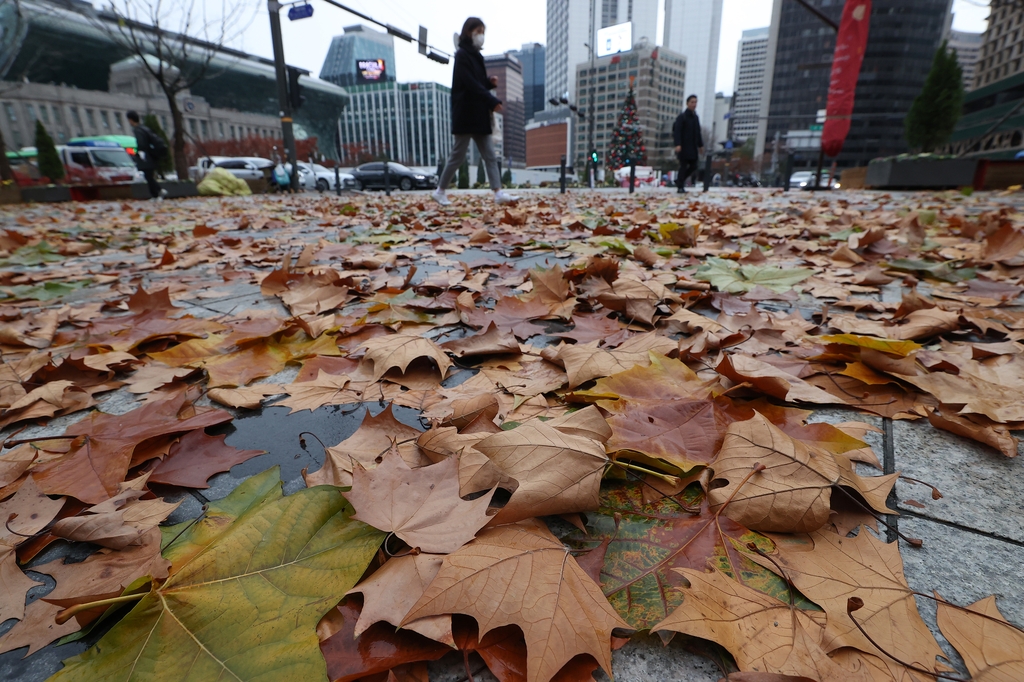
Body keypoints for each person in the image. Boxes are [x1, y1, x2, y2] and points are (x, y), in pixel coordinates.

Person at [432, 17, 517, 206]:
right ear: (469, 32)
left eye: (483, 32)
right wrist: (492, 100)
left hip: (478, 115)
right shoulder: (462, 55)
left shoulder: (476, 56)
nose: (481, 36)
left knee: (490, 155)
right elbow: (469, 84)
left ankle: (498, 193)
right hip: (466, 114)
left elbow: (476, 83)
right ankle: (440, 190)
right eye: (478, 32)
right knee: (457, 156)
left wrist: (488, 83)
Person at [126, 111, 168, 199]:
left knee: (148, 176)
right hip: (152, 155)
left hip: (145, 156)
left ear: (131, 120)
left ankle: (157, 193)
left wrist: (140, 152)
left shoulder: (138, 130)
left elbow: (141, 144)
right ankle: (158, 192)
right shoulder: (144, 128)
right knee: (149, 176)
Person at [672, 95, 704, 194]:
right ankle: (680, 186)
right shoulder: (682, 117)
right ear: (687, 103)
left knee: (694, 166)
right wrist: (678, 144)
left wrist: (700, 145)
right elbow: (677, 131)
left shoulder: (695, 117)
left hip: (693, 146)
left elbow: (698, 132)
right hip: (683, 146)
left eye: (695, 102)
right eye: (692, 102)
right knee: (683, 165)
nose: (694, 104)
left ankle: (679, 180)